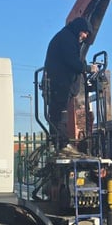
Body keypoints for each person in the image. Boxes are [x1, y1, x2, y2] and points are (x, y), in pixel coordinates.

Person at [44, 17, 96, 152]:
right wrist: (88, 68)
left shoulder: (65, 37)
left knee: (58, 114)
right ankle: (62, 145)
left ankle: (60, 143)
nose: (85, 36)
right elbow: (71, 61)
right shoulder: (67, 39)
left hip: (60, 82)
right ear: (79, 29)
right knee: (60, 114)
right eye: (84, 32)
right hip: (60, 83)